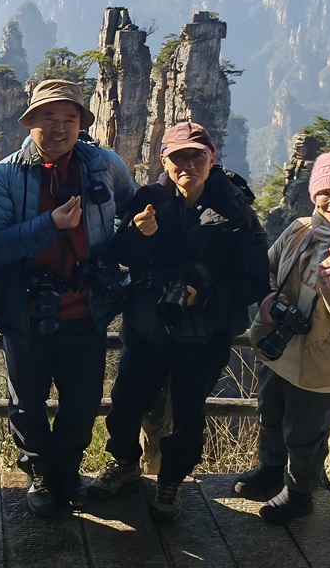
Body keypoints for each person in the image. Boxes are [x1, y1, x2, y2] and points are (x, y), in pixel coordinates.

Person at [0, 79, 135, 516]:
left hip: (87, 309)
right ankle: (40, 473)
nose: (60, 128)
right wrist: (51, 225)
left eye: (70, 119)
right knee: (27, 402)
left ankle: (67, 469)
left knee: (82, 404)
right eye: (49, 118)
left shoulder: (104, 166)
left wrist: (130, 234)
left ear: (81, 123)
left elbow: (129, 209)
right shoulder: (3, 176)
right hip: (25, 312)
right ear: (30, 123)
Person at [95, 121, 270, 522]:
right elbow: (121, 254)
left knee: (187, 415)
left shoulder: (235, 210)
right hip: (147, 327)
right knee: (125, 406)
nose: (188, 163)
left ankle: (171, 480)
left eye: (197, 155)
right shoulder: (149, 199)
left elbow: (255, 280)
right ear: (164, 161)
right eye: (179, 156)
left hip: (205, 334)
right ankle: (125, 463)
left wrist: (204, 294)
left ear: (212, 159)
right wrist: (140, 236)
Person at [236, 149, 330, 525]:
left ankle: (299, 493)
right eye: (326, 193)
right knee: (270, 416)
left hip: (323, 359)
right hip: (280, 347)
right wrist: (269, 302)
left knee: (305, 434)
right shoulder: (299, 230)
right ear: (314, 193)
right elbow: (269, 271)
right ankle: (270, 472)